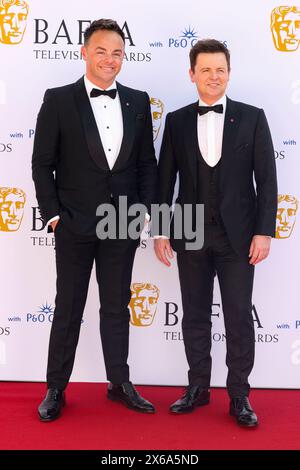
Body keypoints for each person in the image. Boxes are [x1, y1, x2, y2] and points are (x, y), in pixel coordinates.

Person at [32, 19, 158, 422]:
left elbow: (145, 165)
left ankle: (118, 383)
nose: (109, 59)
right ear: (84, 52)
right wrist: (54, 216)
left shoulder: (138, 102)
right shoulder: (58, 99)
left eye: (117, 52)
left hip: (121, 222)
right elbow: (42, 164)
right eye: (101, 51)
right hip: (73, 222)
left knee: (117, 306)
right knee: (69, 305)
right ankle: (56, 387)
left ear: (124, 57)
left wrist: (141, 213)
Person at [154, 39, 277, 427]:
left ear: (229, 72)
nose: (213, 76)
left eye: (220, 68)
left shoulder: (253, 117)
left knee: (239, 315)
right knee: (194, 315)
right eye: (205, 69)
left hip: (238, 236)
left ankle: (239, 396)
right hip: (188, 230)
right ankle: (198, 388)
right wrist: (160, 230)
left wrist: (264, 231)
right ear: (192, 74)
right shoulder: (175, 120)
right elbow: (164, 180)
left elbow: (267, 181)